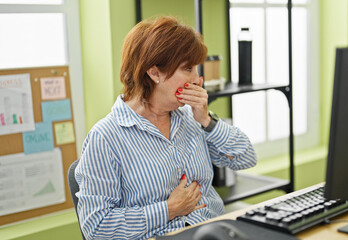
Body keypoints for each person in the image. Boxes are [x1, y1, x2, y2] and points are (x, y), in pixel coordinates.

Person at [75, 16, 257, 240]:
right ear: (154, 73)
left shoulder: (191, 119)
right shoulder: (105, 138)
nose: (197, 80)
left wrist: (206, 119)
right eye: (187, 69)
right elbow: (97, 228)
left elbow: (246, 157)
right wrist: (168, 210)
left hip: (213, 232)